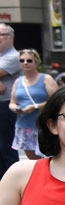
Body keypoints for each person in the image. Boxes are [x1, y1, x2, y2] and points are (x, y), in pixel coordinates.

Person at [9, 50, 59, 161]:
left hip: (42, 125)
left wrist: (35, 107)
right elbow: (12, 102)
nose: (25, 63)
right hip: (24, 126)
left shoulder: (46, 79)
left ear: (36, 62)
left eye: (29, 60)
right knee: (33, 161)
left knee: (48, 158)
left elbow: (57, 101)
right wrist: (15, 108)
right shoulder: (18, 81)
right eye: (22, 60)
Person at [0, 24, 21, 175]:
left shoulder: (14, 56)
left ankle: (11, 179)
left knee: (7, 146)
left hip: (6, 106)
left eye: (1, 35)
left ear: (11, 37)